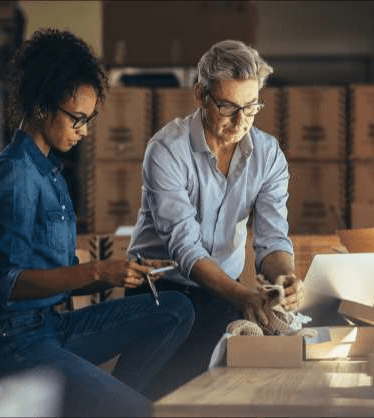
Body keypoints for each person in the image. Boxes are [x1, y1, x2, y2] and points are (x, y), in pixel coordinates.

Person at [0, 28, 194, 417]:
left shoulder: (50, 170)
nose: (84, 131)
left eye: (90, 119)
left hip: (51, 327)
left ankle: (108, 404)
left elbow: (54, 271)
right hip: (13, 344)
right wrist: (97, 269)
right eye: (77, 118)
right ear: (41, 107)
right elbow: (7, 283)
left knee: (176, 308)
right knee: (141, 411)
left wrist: (112, 276)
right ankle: (118, 406)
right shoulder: (16, 174)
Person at [126, 39, 303, 400]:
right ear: (200, 95)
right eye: (228, 107)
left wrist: (284, 276)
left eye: (251, 108)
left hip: (225, 290)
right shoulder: (166, 150)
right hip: (159, 291)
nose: (241, 122)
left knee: (212, 396)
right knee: (148, 397)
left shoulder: (267, 155)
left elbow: (272, 240)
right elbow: (184, 247)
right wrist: (242, 295)